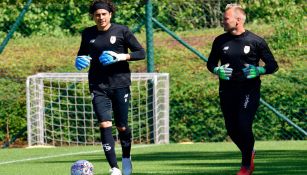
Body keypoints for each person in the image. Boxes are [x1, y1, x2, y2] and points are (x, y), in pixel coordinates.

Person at [74, 0, 145, 175]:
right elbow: (82, 54)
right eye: (97, 15)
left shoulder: (122, 31)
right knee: (105, 124)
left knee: (122, 126)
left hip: (120, 84)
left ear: (110, 14)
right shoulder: (88, 33)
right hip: (97, 85)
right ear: (93, 16)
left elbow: (141, 53)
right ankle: (114, 168)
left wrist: (119, 57)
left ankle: (126, 158)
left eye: (104, 14)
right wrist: (79, 60)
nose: (101, 18)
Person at [207, 3, 278, 175]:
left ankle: (246, 165)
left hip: (249, 90)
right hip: (226, 90)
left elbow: (273, 65)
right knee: (232, 129)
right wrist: (217, 70)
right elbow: (210, 63)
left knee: (243, 125)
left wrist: (259, 70)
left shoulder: (256, 41)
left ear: (238, 20)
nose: (223, 21)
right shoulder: (220, 40)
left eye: (226, 18)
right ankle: (249, 152)